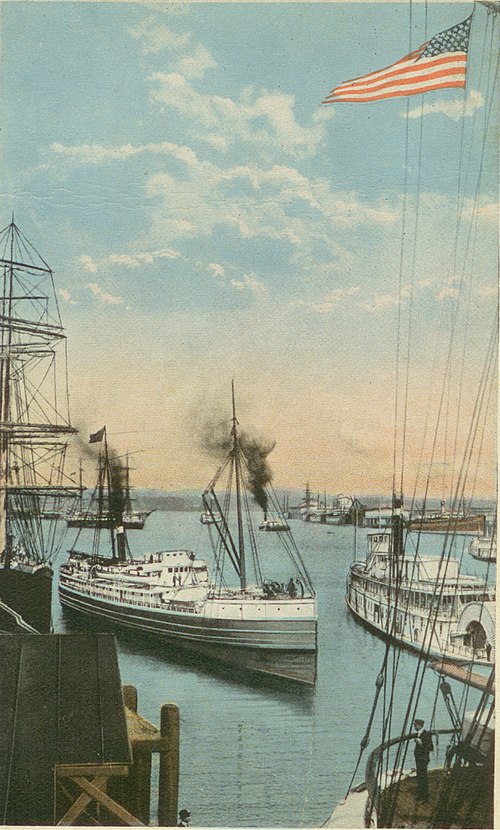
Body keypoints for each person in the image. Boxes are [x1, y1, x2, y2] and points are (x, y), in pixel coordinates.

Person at [413, 718, 433, 803]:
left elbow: (430, 748)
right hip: (419, 760)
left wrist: (419, 743)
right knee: (420, 777)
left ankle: (424, 798)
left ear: (419, 725)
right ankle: (421, 795)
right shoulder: (419, 734)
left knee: (423, 778)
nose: (414, 726)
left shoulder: (426, 734)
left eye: (415, 725)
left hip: (423, 760)